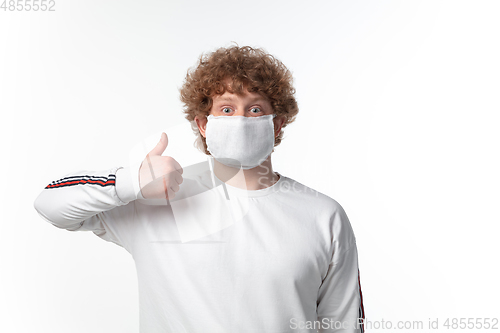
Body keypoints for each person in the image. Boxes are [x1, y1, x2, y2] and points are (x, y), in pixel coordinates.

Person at [34, 45, 365, 333]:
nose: (240, 119)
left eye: (254, 109)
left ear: (276, 123)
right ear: (204, 124)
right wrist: (129, 181)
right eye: (226, 109)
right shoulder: (157, 200)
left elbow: (344, 322)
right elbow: (50, 203)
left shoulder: (323, 215)